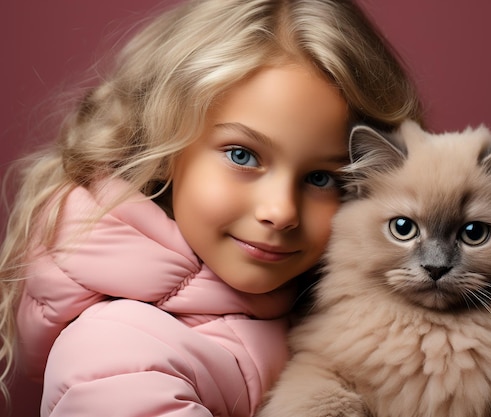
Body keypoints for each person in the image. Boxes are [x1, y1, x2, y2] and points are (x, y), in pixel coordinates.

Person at [0, 0, 422, 415]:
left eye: (321, 178)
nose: (281, 211)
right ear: (165, 147)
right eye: (242, 155)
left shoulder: (314, 316)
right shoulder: (118, 358)